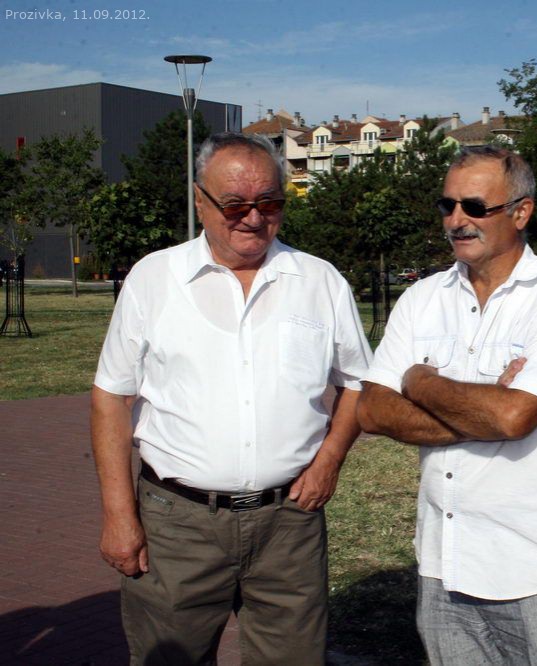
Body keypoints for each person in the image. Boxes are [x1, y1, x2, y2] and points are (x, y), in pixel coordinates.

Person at [91, 132, 371, 665]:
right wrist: (118, 514)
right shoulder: (154, 278)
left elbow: (359, 382)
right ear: (200, 201)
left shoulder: (320, 281)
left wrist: (329, 461)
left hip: (289, 524)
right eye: (235, 204)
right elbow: (111, 398)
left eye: (269, 203)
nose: (254, 218)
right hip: (178, 525)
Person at [356, 145, 537, 665]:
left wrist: (420, 381)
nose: (456, 220)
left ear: (521, 211)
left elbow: (512, 417)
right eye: (447, 205)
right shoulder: (421, 299)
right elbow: (372, 411)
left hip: (536, 568)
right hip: (443, 564)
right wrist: (485, 406)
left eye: (473, 206)